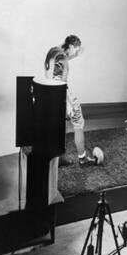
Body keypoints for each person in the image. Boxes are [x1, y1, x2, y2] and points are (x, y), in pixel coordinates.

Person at [44, 35, 97, 167]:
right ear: (71, 46)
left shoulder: (53, 51)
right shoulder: (61, 58)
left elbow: (50, 77)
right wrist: (66, 104)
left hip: (49, 93)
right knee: (78, 122)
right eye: (77, 50)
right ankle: (83, 159)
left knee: (60, 126)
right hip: (60, 93)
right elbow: (58, 81)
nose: (77, 54)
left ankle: (59, 157)